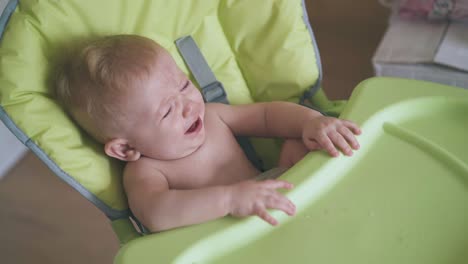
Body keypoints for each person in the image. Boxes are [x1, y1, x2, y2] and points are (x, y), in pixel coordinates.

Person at [55, 34, 361, 232]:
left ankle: (338, 209)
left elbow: (267, 115)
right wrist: (229, 200)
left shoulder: (214, 116)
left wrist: (310, 122)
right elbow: (156, 214)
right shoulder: (146, 171)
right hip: (221, 234)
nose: (188, 106)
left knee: (299, 142)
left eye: (185, 85)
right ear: (124, 149)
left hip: (272, 199)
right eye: (166, 111)